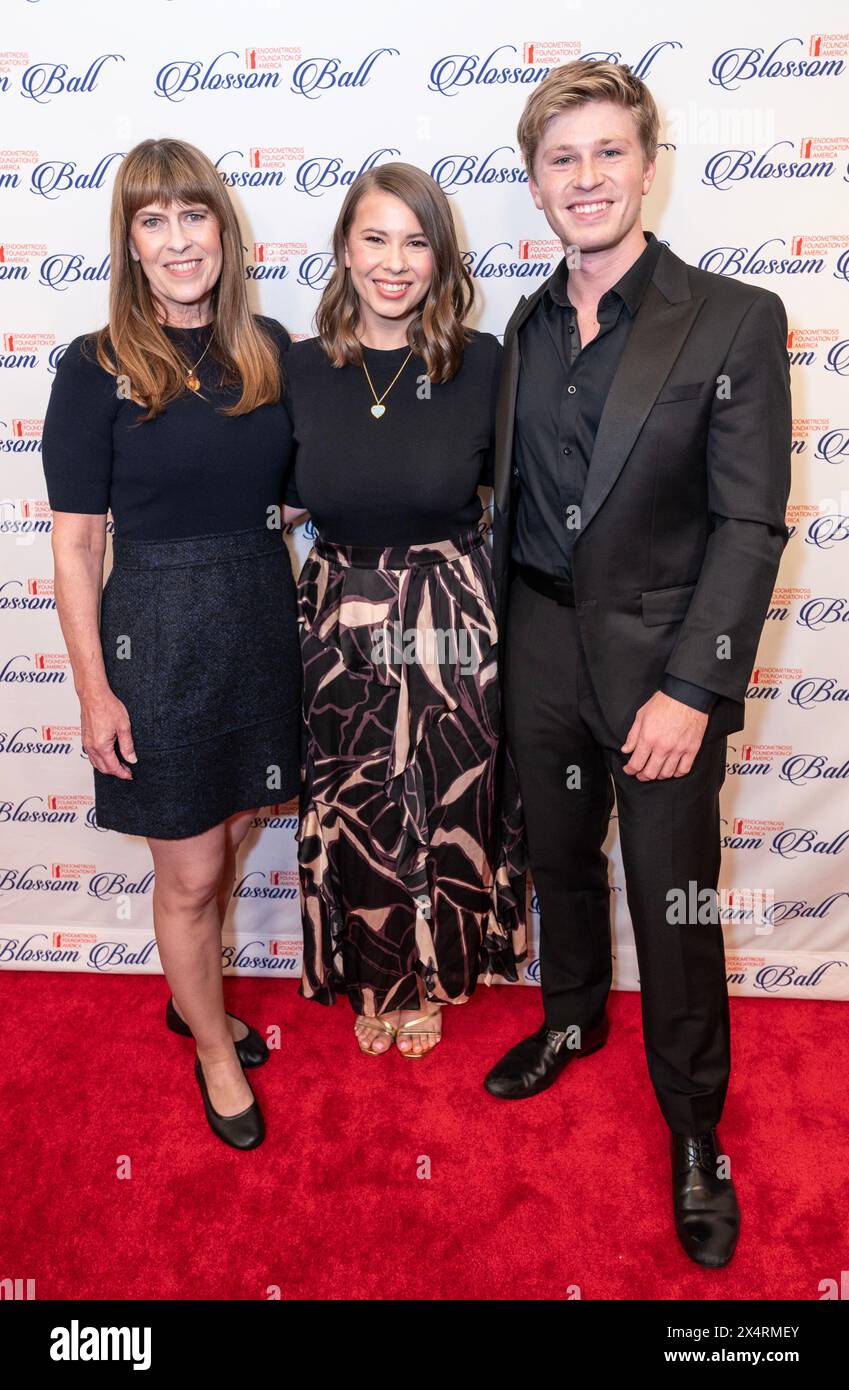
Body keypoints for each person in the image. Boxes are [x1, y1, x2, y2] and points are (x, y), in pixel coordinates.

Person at [483, 61, 791, 1267]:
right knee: (558, 861)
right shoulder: (524, 323)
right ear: (536, 184)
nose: (587, 177)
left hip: (663, 664)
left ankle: (697, 1128)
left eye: (608, 152)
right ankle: (570, 1020)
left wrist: (695, 686)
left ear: (648, 168)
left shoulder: (732, 317)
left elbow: (751, 521)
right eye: (563, 160)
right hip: (539, 646)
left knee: (674, 905)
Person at [41, 138, 303, 1151]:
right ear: (131, 244)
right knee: (189, 871)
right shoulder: (95, 364)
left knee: (234, 827)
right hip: (154, 627)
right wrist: (93, 693)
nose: (178, 237)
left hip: (257, 611)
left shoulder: (266, 345)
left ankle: (190, 995)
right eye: (155, 220)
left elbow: (307, 485)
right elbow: (75, 542)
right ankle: (212, 1045)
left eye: (193, 215)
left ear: (222, 233)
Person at [283, 163, 527, 1058]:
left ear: (440, 256)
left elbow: (523, 496)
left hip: (450, 617)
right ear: (345, 249)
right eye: (374, 238)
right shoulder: (297, 368)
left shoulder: (483, 361)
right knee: (357, 808)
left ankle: (434, 977)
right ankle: (376, 979)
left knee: (443, 805)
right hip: (336, 615)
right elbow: (277, 497)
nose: (394, 262)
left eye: (415, 242)